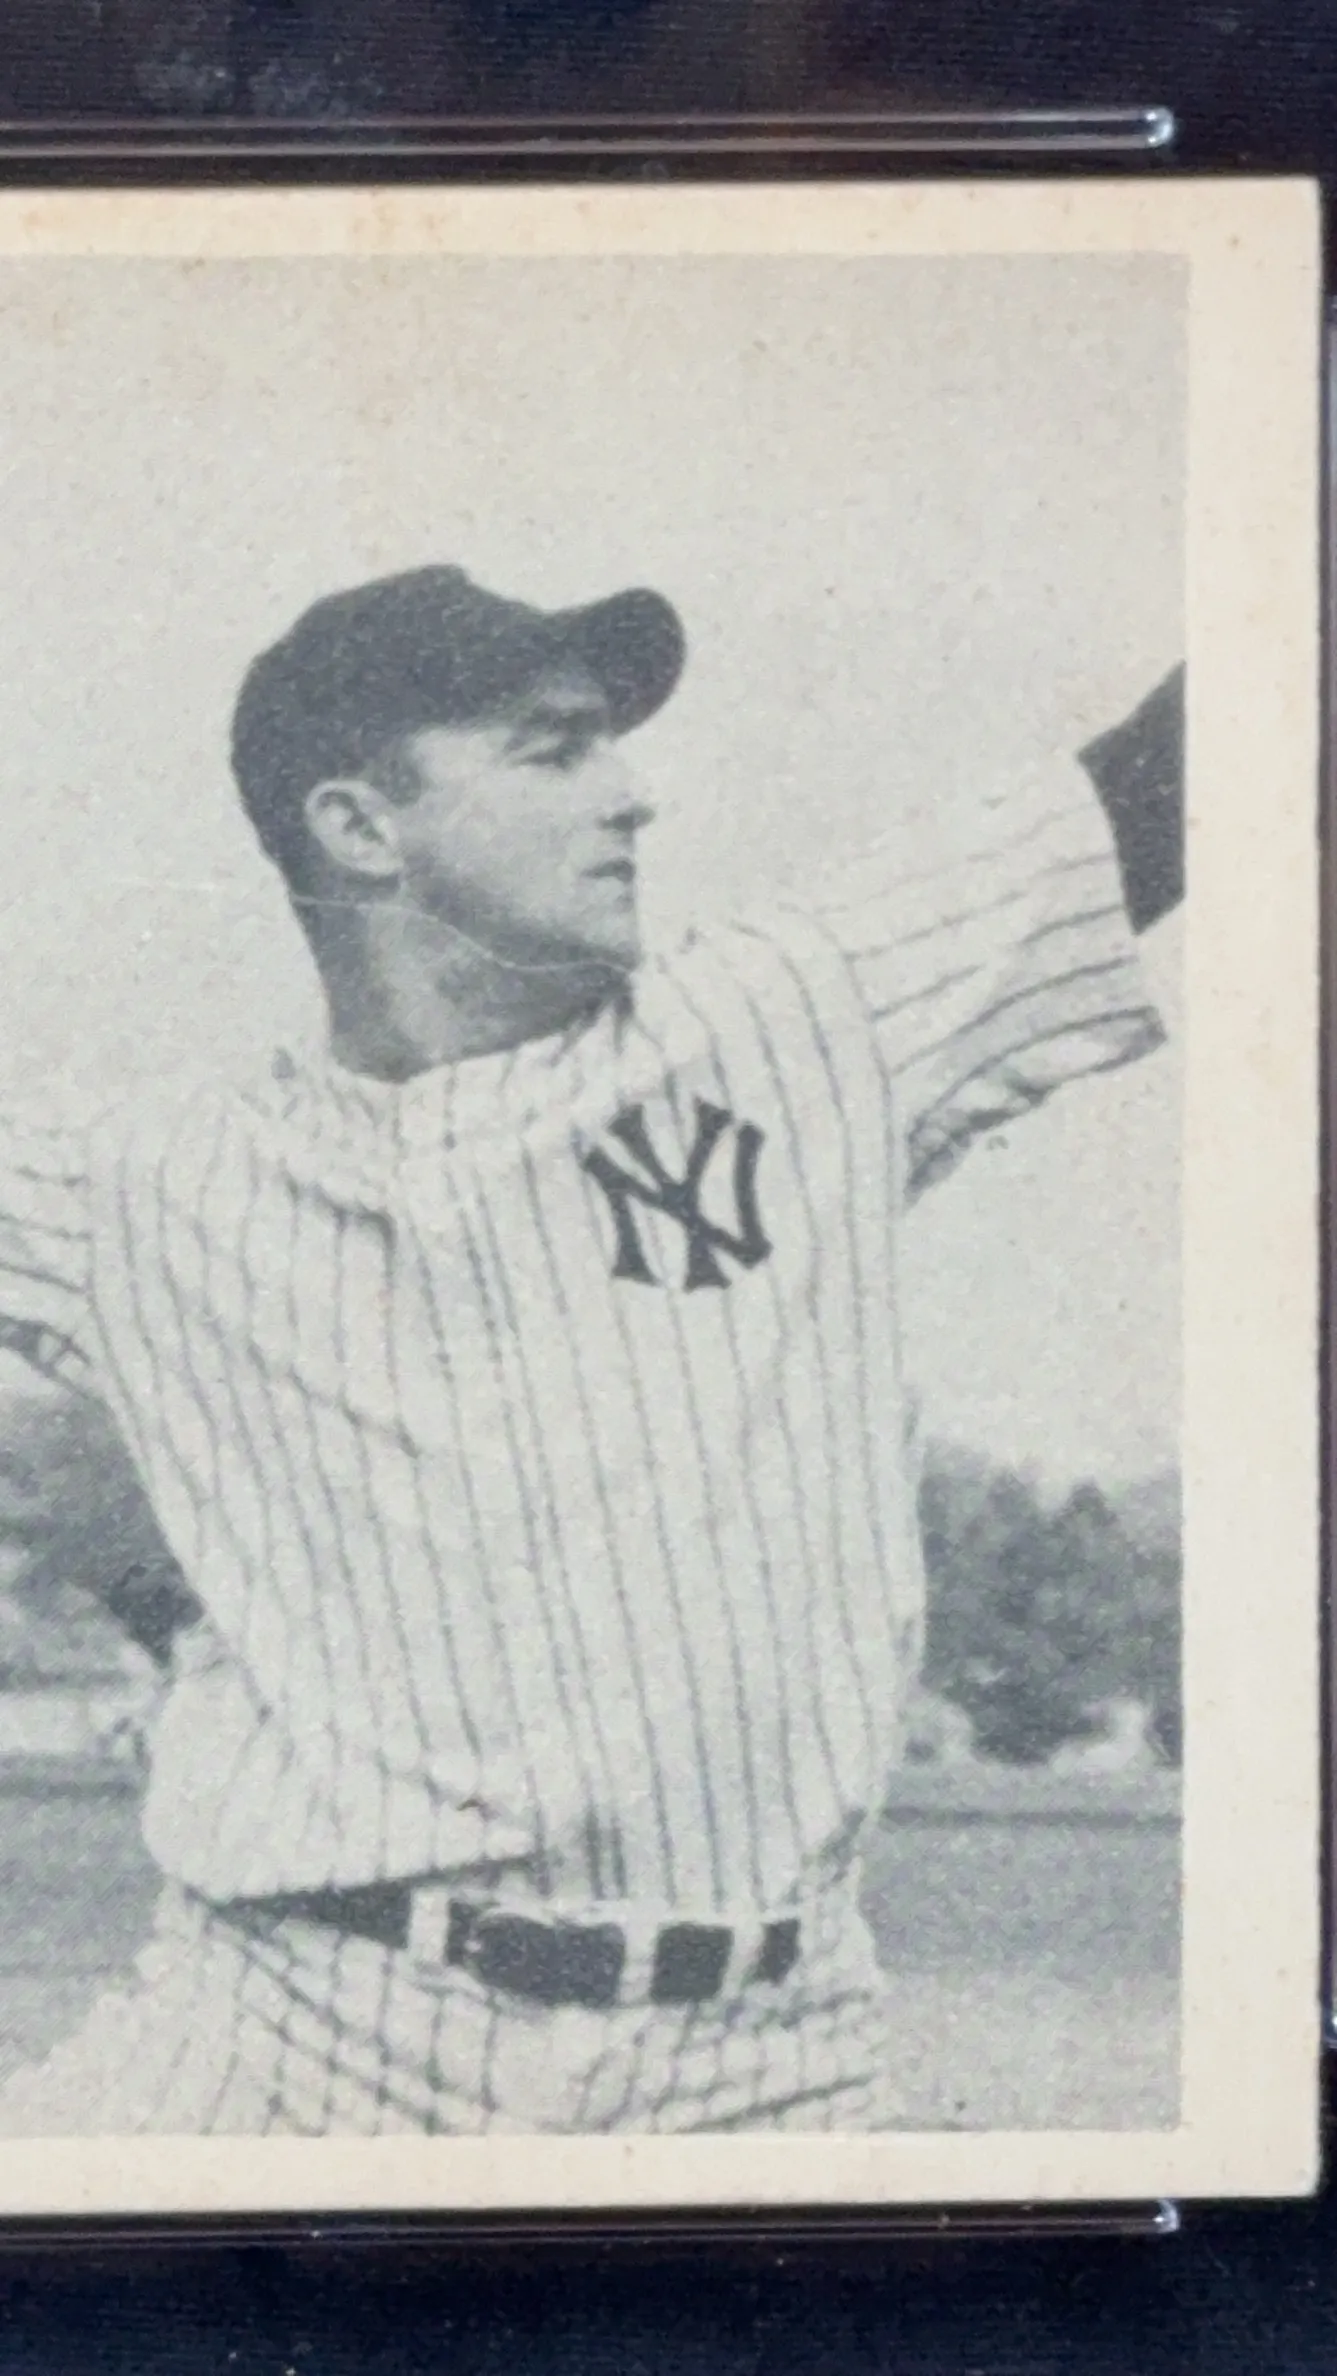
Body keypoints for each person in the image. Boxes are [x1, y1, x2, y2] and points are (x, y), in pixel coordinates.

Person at [0, 567, 1181, 2135]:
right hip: (290, 2038)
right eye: (555, 751)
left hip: (759, 2067)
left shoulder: (789, 1026)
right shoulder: (144, 1187)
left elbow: (1164, 787)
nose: (633, 794)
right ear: (360, 827)